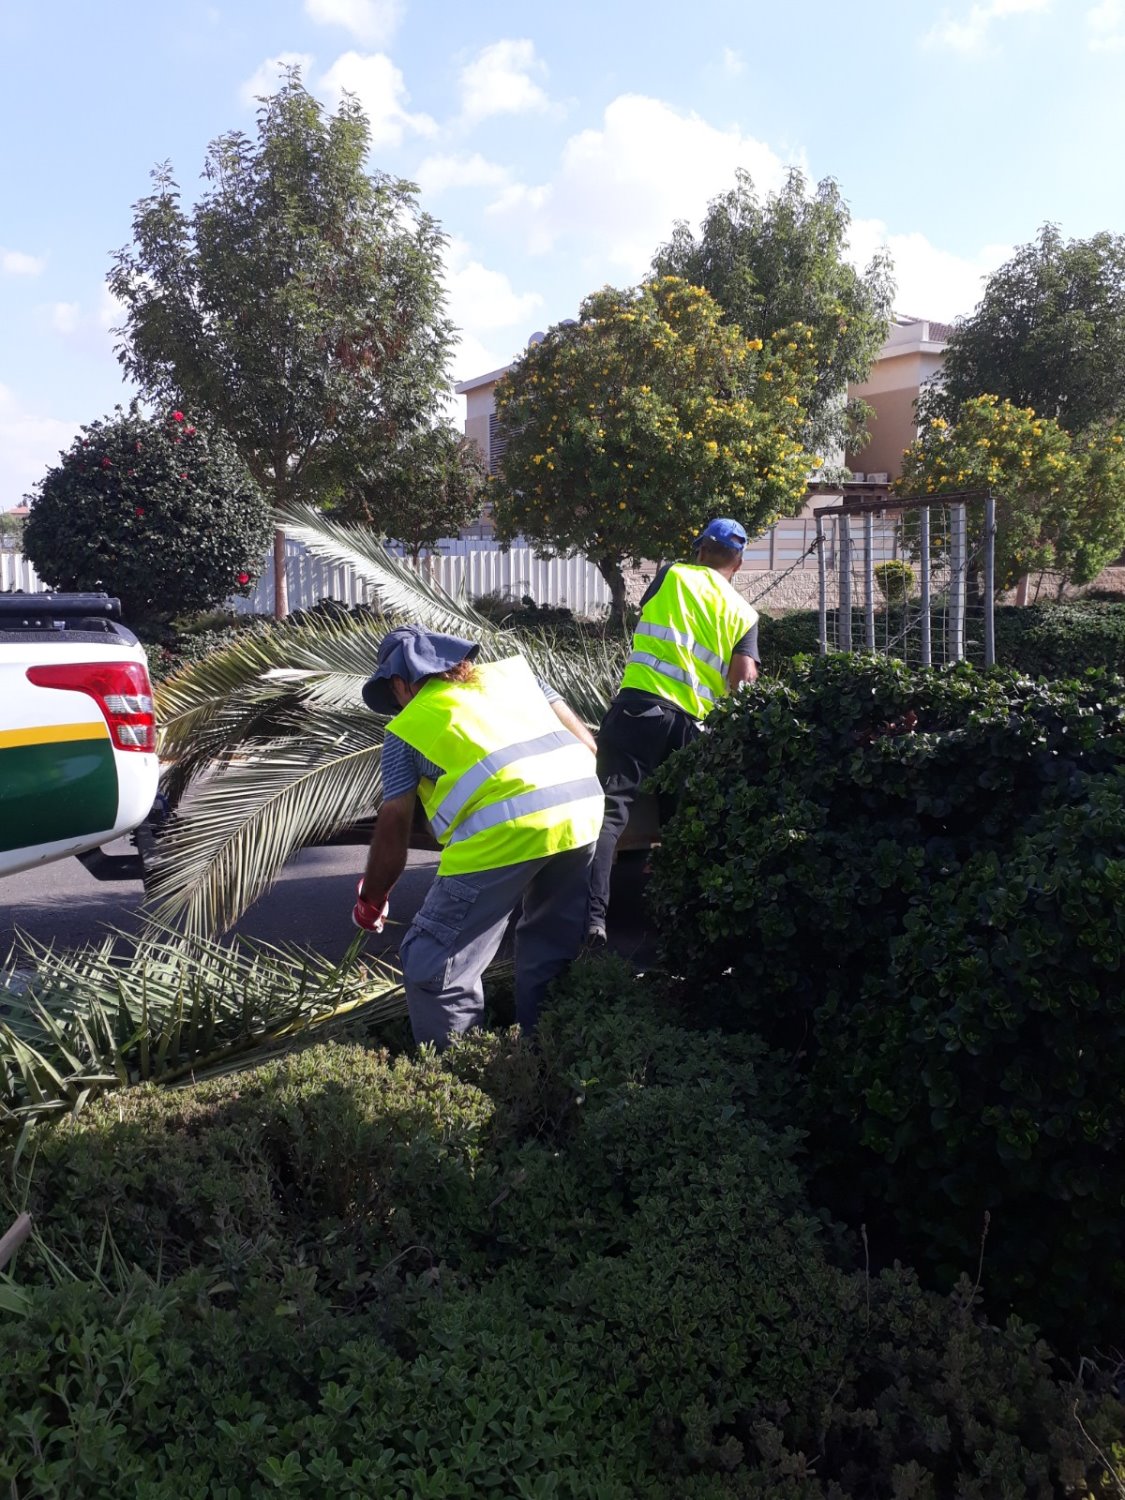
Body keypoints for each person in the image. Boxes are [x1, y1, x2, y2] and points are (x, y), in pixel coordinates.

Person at [353, 625, 604, 1048]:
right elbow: (588, 746)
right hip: (581, 812)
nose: (397, 705)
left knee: (433, 965)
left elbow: (394, 827)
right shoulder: (517, 677)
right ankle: (543, 1058)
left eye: (393, 694)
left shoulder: (407, 727)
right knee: (547, 949)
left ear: (399, 682)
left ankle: (464, 1073)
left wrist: (372, 899)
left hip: (507, 832)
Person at [586, 517, 760, 942]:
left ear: (700, 550)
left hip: (639, 709)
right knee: (680, 827)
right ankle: (676, 926)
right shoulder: (745, 613)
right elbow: (744, 681)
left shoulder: (673, 574)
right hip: (691, 729)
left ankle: (592, 920)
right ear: (739, 561)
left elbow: (652, 613)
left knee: (609, 815)